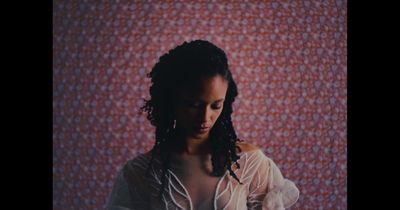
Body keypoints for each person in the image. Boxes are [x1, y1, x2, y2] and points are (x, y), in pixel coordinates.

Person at [106, 40, 299, 210]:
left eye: (216, 105)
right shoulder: (139, 173)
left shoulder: (249, 163)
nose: (205, 117)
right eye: (193, 105)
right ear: (170, 100)